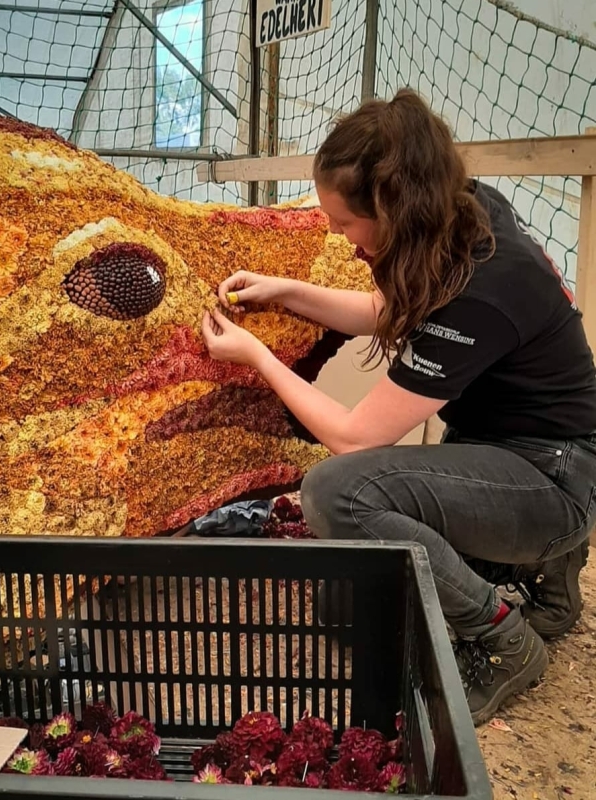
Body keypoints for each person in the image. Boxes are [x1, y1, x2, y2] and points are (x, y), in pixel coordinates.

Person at [200, 88, 596, 726]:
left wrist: (257, 358)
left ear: (392, 208)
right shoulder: (464, 213)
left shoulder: (485, 285)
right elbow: (397, 311)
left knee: (336, 495)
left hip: (551, 476)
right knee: (343, 602)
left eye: (344, 224)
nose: (340, 236)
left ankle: (502, 640)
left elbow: (356, 439)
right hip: (506, 452)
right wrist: (289, 293)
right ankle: (542, 570)